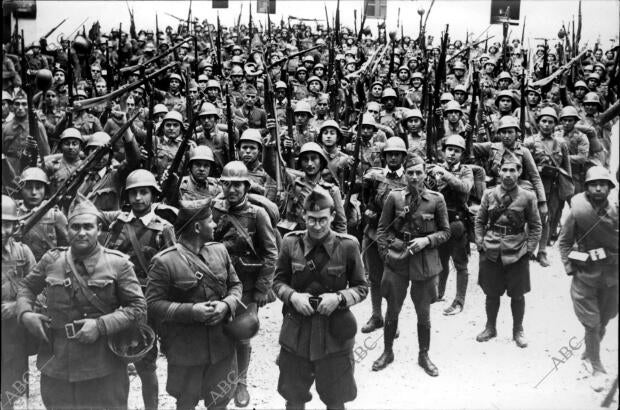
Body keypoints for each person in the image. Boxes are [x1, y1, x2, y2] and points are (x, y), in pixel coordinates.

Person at [16, 194, 147, 409]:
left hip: (104, 365)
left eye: (88, 226)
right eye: (75, 227)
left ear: (99, 230)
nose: (82, 232)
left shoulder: (118, 264)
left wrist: (100, 325)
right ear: (67, 230)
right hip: (58, 363)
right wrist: (25, 313)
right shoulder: (52, 260)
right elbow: (26, 287)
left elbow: (138, 307)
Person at [273, 185, 368, 409]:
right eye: (312, 219)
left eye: (323, 219)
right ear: (303, 215)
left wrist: (340, 298)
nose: (317, 226)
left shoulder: (348, 246)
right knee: (294, 397)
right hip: (297, 332)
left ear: (333, 216)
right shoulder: (290, 243)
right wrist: (293, 296)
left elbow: (362, 287)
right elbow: (277, 282)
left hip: (334, 333)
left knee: (336, 398)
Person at [146, 198, 242, 410]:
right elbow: (152, 305)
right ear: (198, 227)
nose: (215, 225)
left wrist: (226, 305)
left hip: (222, 346)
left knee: (220, 402)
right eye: (210, 221)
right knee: (186, 402)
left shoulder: (220, 251)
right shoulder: (164, 262)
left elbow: (236, 285)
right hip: (186, 349)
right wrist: (191, 312)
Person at [100, 169, 176, 410]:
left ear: (153, 195)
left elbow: (173, 266)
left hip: (149, 302)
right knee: (117, 359)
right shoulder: (118, 225)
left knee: (146, 362)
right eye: (133, 193)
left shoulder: (163, 228)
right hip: (120, 302)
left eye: (144, 192)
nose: (138, 198)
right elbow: (106, 257)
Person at [373, 155, 450, 375]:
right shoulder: (394, 198)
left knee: (423, 312)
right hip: (397, 258)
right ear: (405, 174)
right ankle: (387, 351)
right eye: (410, 173)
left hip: (424, 261)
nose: (415, 177)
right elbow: (382, 229)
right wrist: (385, 254)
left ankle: (423, 355)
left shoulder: (436, 199)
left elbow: (446, 232)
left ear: (425, 174)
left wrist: (427, 240)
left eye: (418, 173)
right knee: (392, 310)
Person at [212, 161, 278, 408]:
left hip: (248, 284)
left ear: (246, 186)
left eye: (237, 185)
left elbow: (271, 253)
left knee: (243, 333)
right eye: (227, 185)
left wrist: (263, 288)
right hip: (221, 282)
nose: (232, 190)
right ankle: (221, 380)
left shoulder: (257, 214)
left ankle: (241, 381)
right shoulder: (215, 210)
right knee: (219, 332)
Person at [558, 166, 618, 392]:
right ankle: (597, 366)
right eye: (594, 184)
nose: (599, 188)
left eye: (603, 184)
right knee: (592, 323)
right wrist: (572, 266)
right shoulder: (578, 211)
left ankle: (586, 354)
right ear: (587, 187)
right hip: (585, 276)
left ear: (610, 187)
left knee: (605, 319)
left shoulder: (616, 210)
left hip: (612, 276)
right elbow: (564, 243)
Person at [474, 159, 542, 348]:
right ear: (498, 171)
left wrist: (529, 249)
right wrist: (480, 243)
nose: (508, 174)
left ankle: (518, 330)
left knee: (518, 294)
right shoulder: (489, 194)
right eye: (504, 170)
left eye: (512, 170)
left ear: (519, 172)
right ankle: (490, 327)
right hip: (491, 248)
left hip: (517, 250)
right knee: (491, 293)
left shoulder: (528, 196)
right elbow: (479, 221)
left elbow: (536, 225)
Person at [360, 137, 408, 334]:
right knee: (375, 277)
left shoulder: (409, 179)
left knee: (394, 279)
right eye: (390, 154)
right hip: (373, 233)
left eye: (397, 154)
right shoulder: (374, 177)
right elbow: (366, 199)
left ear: (404, 157)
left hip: (396, 236)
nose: (393, 157)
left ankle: (392, 318)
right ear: (384, 156)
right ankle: (376, 315)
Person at [1, 195, 37, 410]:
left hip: (13, 332)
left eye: (6, 225)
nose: (2, 231)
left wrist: (17, 306)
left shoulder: (22, 253)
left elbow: (39, 289)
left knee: (12, 386)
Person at [432, 135, 474, 315]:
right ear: (444, 151)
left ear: (462, 155)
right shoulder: (435, 168)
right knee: (441, 259)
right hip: (440, 222)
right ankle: (438, 293)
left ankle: (459, 300)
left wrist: (446, 176)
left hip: (458, 222)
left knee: (460, 263)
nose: (452, 154)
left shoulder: (466, 171)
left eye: (456, 151)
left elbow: (465, 188)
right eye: (449, 150)